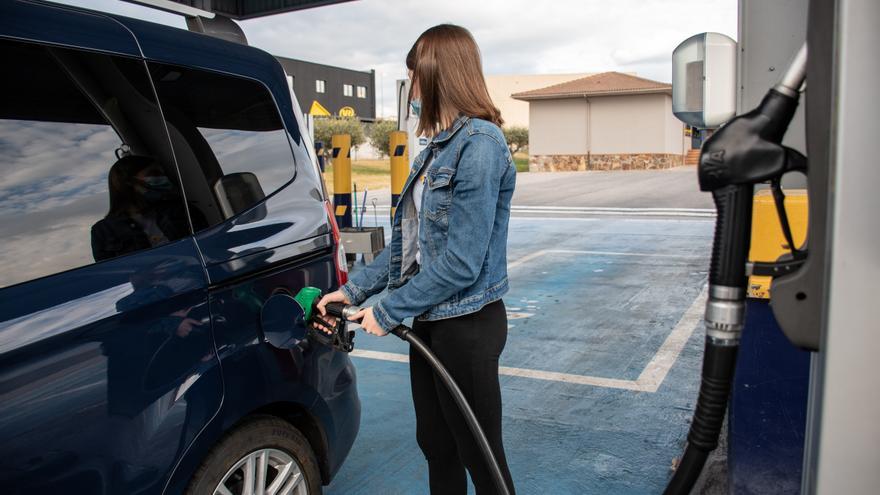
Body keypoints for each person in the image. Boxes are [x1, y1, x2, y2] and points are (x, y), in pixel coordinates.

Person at [314, 24, 517, 495]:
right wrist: (352, 291)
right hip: (430, 318)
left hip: (467, 324)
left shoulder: (481, 145)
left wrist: (387, 310)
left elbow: (463, 263)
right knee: (436, 445)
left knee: (480, 455)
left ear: (436, 72)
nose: (411, 88)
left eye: (414, 74)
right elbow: (411, 251)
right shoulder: (437, 148)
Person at [91, 155, 189, 262]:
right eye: (154, 174)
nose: (162, 178)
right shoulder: (103, 231)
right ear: (129, 182)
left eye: (162, 174)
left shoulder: (181, 209)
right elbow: (110, 273)